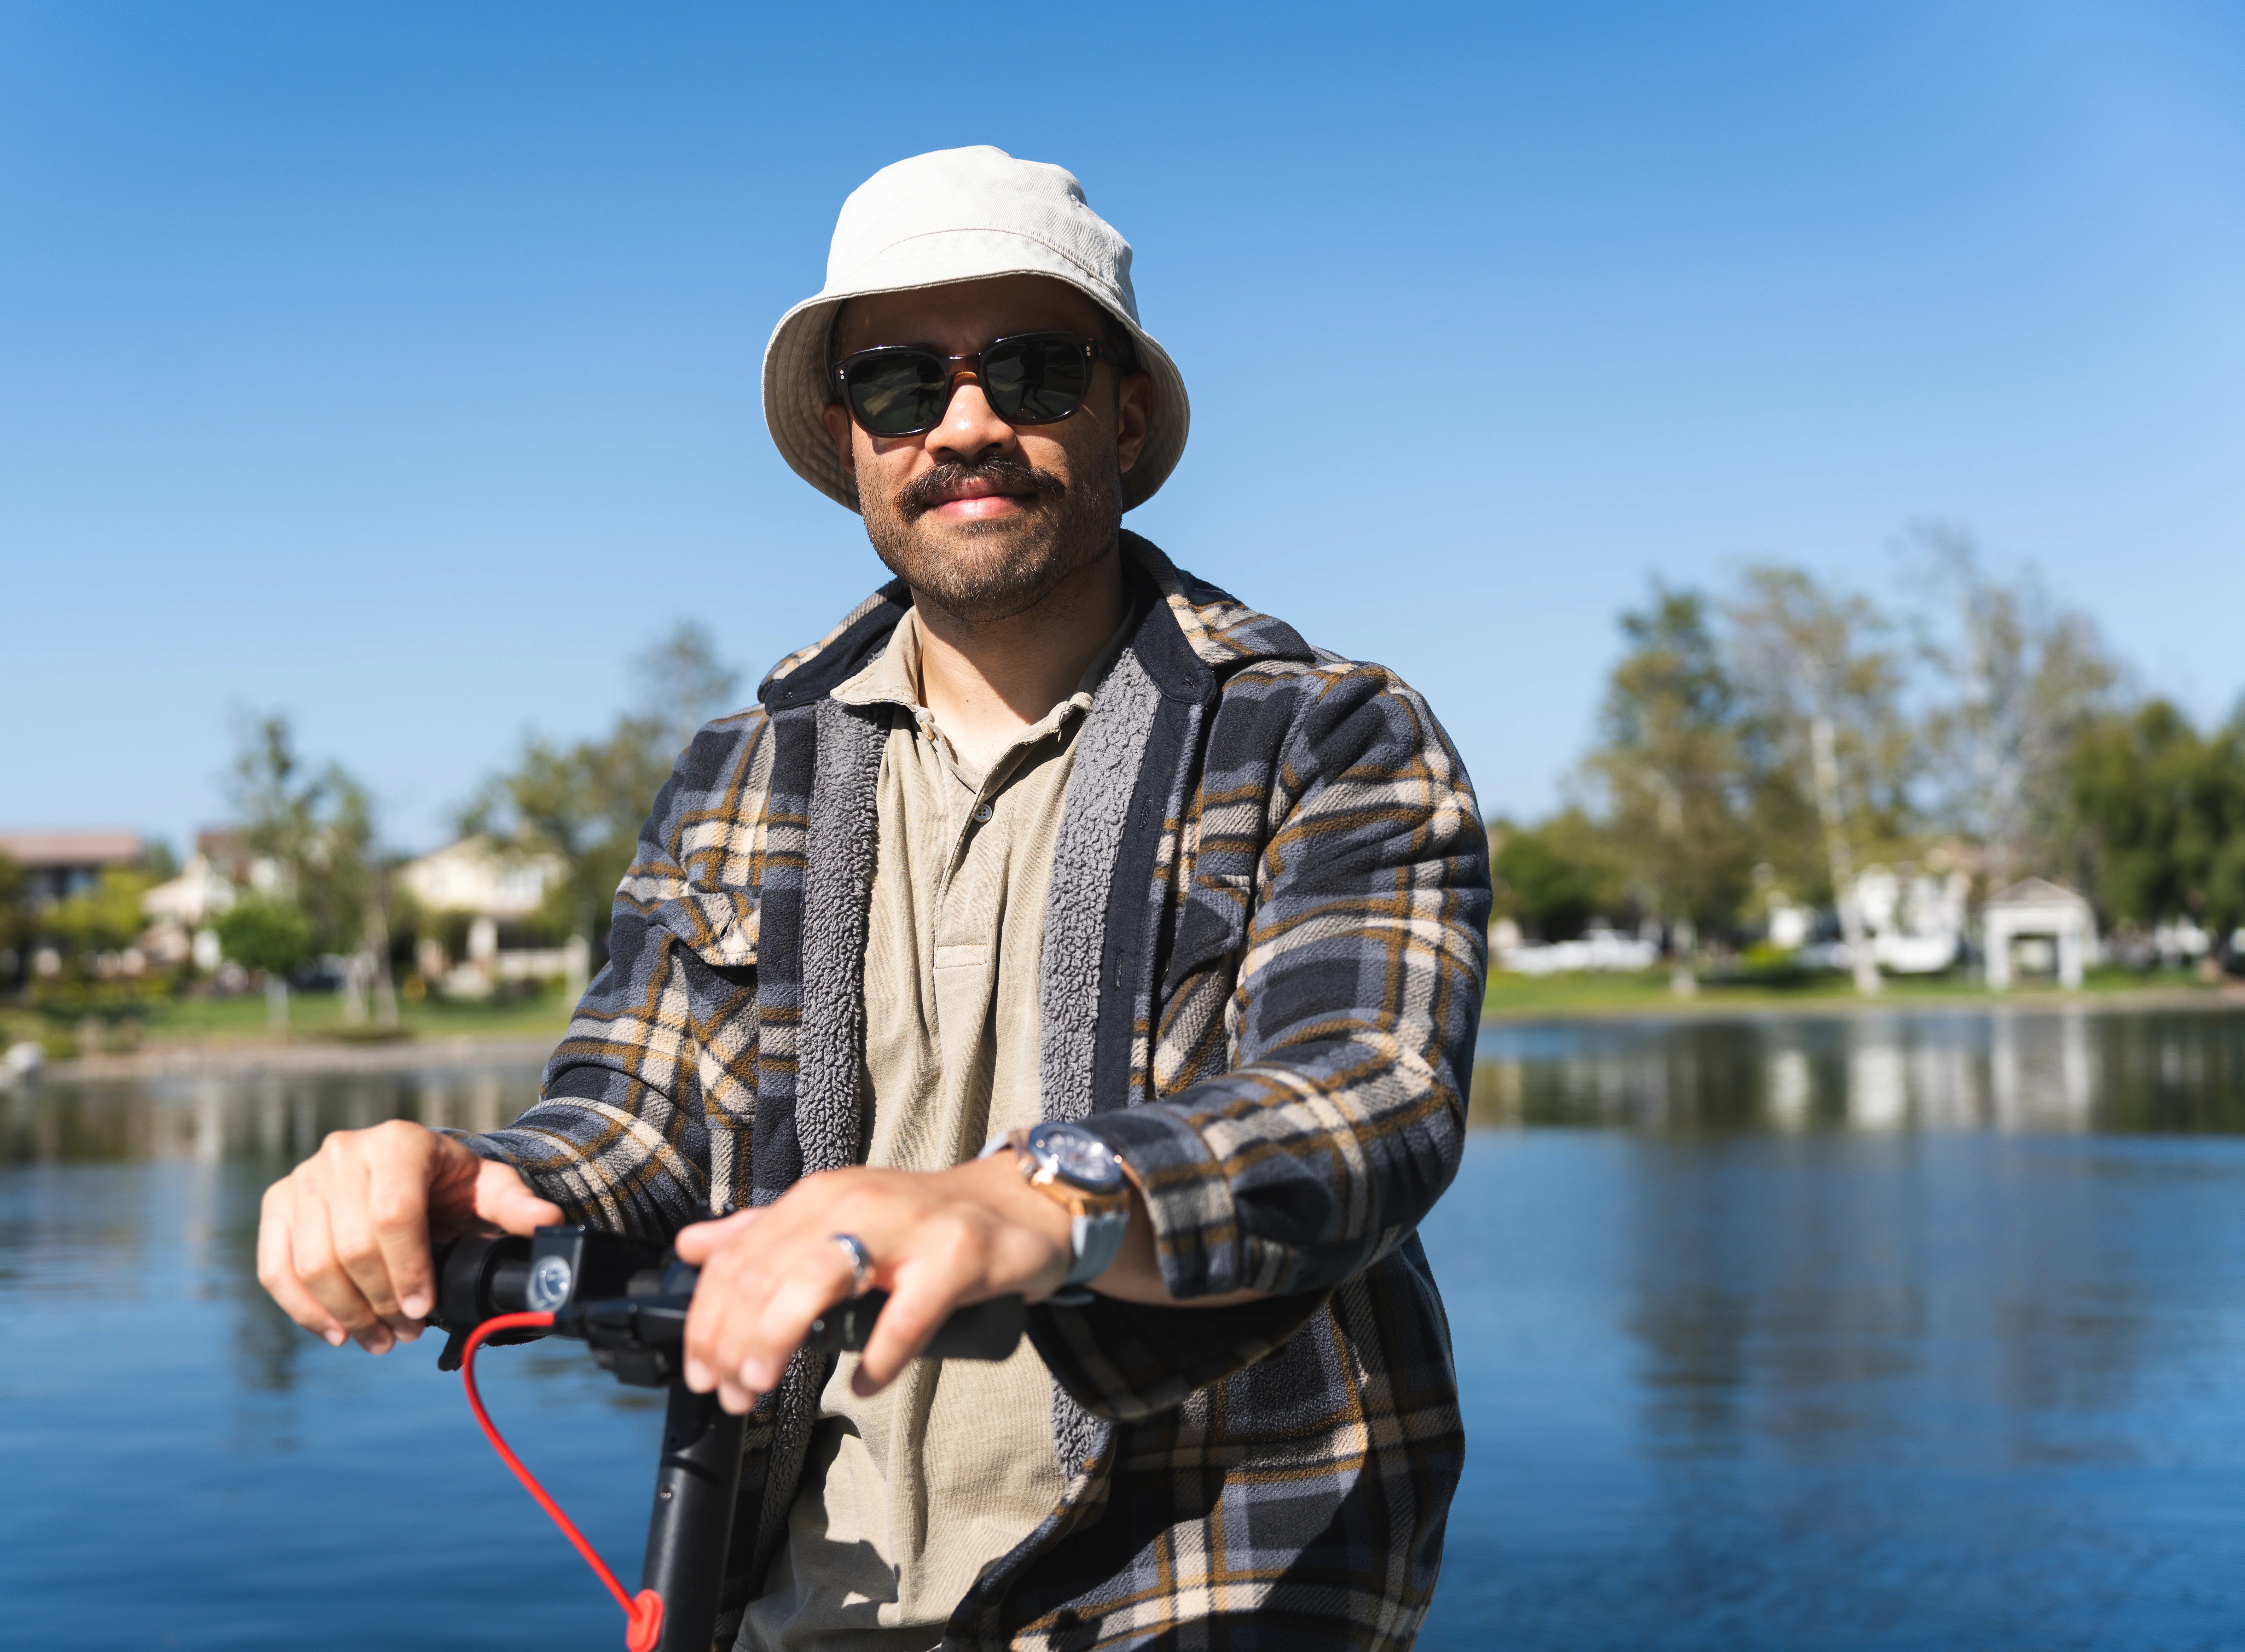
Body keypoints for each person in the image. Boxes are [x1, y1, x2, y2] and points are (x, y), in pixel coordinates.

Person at [257, 145, 1489, 1651]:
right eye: (906, 387)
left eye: (1032, 371)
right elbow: (637, 1115)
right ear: (850, 440)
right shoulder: (740, 766)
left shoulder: (1330, 733)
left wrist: (1027, 1202)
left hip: (1210, 1596)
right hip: (792, 1604)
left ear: (1129, 408)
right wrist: (476, 1176)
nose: (966, 426)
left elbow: (1366, 1102)